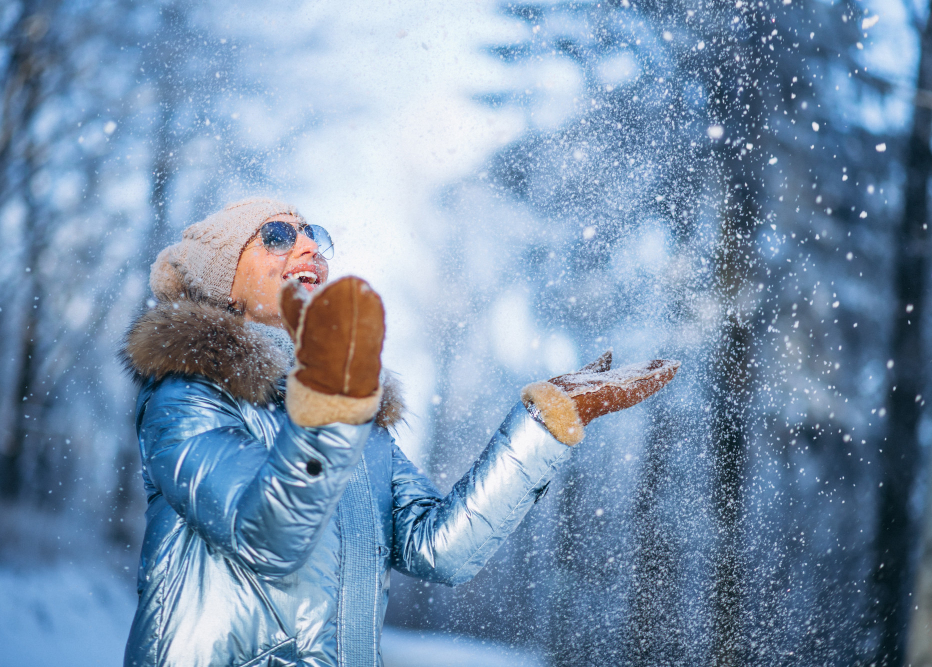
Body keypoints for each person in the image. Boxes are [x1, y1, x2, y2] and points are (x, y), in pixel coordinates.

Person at [121, 197, 679, 667]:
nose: (309, 246)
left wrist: (547, 424)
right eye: (276, 234)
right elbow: (267, 537)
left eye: (315, 235)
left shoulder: (355, 414)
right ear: (224, 282)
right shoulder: (187, 394)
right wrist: (335, 404)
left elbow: (440, 550)